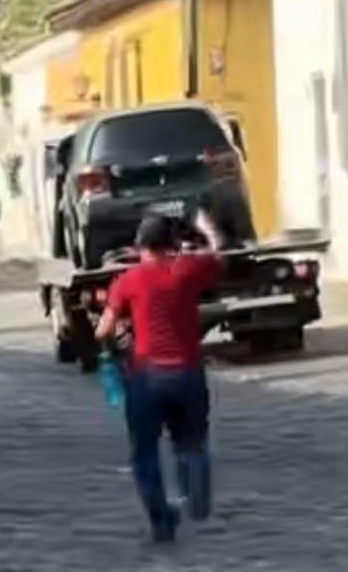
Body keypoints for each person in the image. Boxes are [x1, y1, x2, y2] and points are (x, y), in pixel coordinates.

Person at [95, 211, 223, 543]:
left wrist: (117, 348)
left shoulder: (128, 280)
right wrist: (206, 232)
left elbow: (103, 330)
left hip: (146, 377)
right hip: (187, 376)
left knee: (145, 454)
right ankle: (197, 501)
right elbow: (215, 256)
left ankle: (162, 522)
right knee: (192, 444)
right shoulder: (187, 270)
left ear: (140, 247)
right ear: (171, 244)